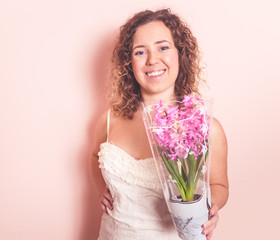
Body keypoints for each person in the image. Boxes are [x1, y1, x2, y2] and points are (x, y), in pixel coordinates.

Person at [90, 8, 229, 240]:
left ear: (180, 54)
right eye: (140, 52)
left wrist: (207, 210)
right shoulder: (109, 119)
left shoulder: (206, 127)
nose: (153, 60)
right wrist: (99, 190)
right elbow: (95, 156)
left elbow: (220, 186)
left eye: (163, 47)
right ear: (129, 63)